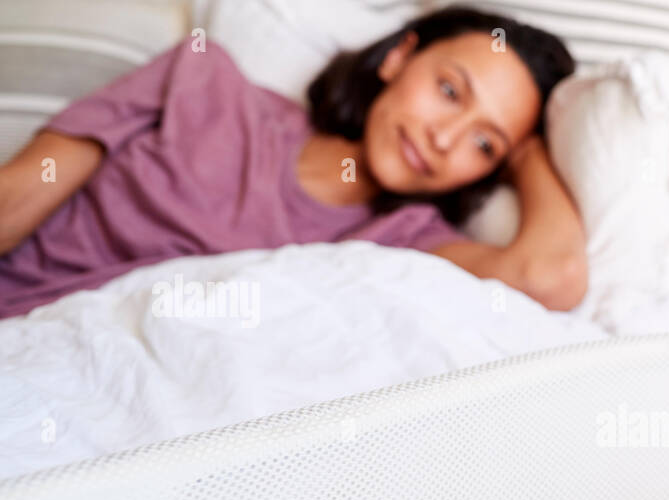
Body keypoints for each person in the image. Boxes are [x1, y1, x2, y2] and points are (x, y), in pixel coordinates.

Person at [0, 5, 587, 319]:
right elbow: (21, 189)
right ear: (399, 57)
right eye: (451, 92)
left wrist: (529, 154)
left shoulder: (403, 242)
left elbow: (549, 278)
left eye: (483, 144)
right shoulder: (204, 81)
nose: (444, 138)